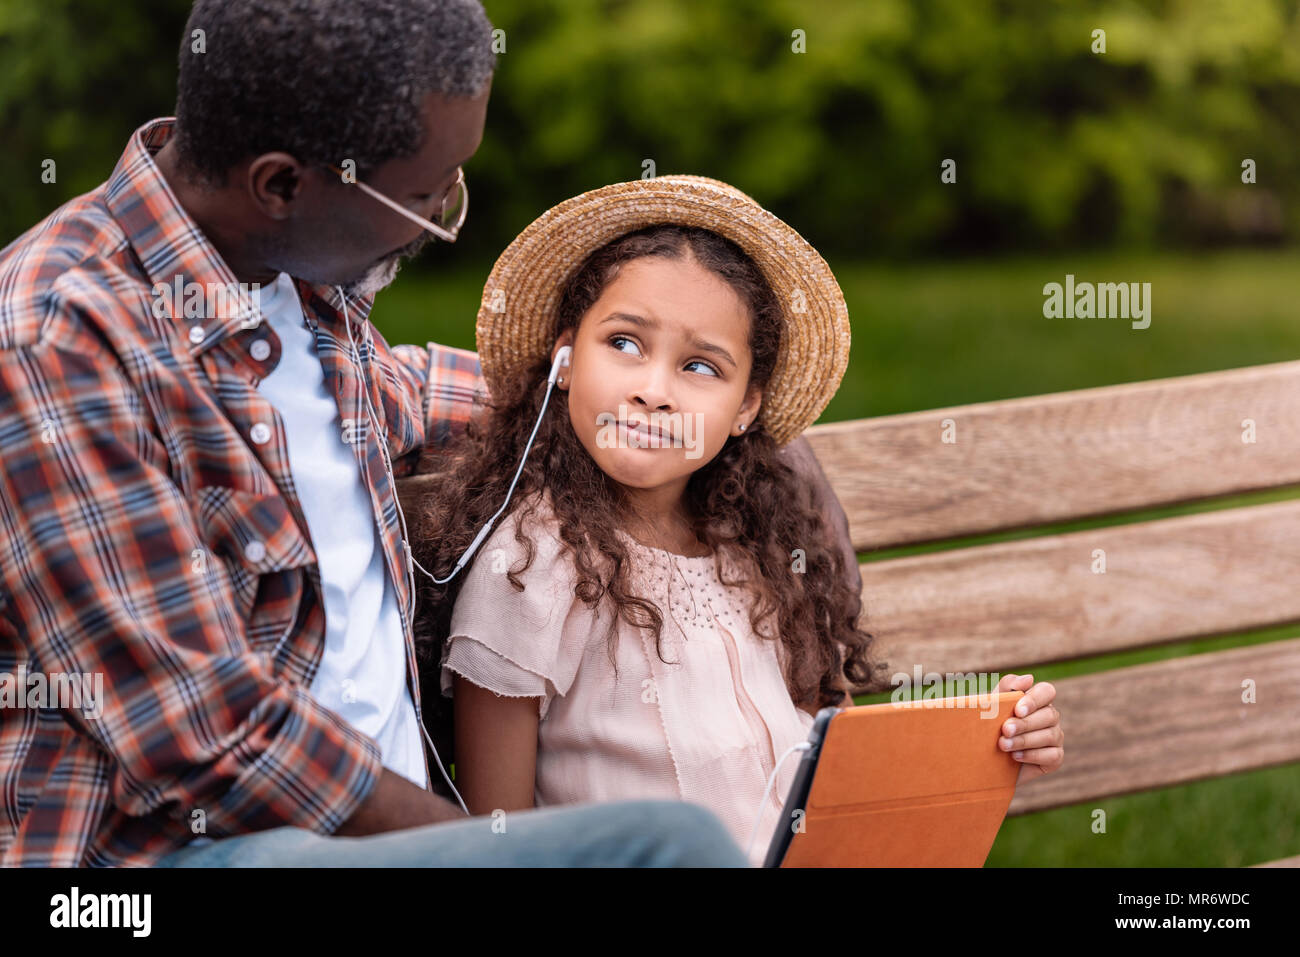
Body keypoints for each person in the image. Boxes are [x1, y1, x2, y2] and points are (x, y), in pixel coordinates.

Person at [0, 0, 816, 867]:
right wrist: (484, 850)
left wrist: (738, 432)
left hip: (375, 847)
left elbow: (422, 392)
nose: (441, 220)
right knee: (672, 846)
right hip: (168, 861)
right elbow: (202, 734)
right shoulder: (57, 336)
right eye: (427, 192)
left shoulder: (296, 283)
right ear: (282, 185)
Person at [402, 177, 1065, 866]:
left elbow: (823, 784)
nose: (652, 391)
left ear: (746, 406)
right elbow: (495, 840)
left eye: (699, 365)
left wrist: (990, 741)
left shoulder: (761, 549)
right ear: (566, 359)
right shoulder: (532, 565)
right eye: (624, 342)